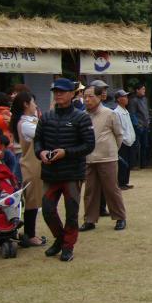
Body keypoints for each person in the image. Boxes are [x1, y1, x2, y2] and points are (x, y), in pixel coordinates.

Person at [33, 78, 95, 262]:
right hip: (50, 173)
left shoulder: (81, 117)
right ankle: (60, 239)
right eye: (56, 91)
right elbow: (38, 140)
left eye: (62, 91)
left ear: (71, 94)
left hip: (72, 173)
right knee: (47, 210)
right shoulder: (46, 117)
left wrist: (66, 153)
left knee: (72, 212)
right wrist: (40, 152)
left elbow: (89, 145)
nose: (58, 94)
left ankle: (68, 246)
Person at [80, 86, 127, 231]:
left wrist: (112, 150)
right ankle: (90, 220)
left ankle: (120, 217)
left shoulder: (109, 114)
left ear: (100, 97)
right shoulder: (82, 115)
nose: (87, 99)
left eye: (91, 96)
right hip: (88, 158)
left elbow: (119, 135)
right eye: (85, 96)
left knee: (111, 189)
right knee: (90, 190)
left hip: (107, 158)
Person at [9, 91, 45, 247]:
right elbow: (42, 134)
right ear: (25, 104)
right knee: (32, 202)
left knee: (35, 201)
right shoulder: (25, 124)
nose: (35, 105)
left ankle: (31, 234)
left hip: (35, 165)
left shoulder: (30, 121)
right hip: (31, 166)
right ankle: (30, 235)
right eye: (33, 102)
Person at [113, 89, 136, 191]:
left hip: (130, 141)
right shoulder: (116, 112)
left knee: (128, 162)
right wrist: (123, 139)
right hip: (123, 141)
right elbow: (119, 128)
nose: (127, 99)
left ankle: (125, 181)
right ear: (118, 99)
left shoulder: (126, 111)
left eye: (127, 96)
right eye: (124, 97)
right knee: (122, 163)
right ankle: (120, 182)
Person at [128, 82, 151, 169]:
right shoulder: (133, 100)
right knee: (137, 145)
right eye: (142, 89)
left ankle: (143, 163)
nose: (144, 91)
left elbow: (147, 111)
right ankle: (135, 164)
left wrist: (148, 121)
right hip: (138, 126)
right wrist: (137, 125)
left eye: (144, 89)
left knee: (145, 145)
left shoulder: (145, 99)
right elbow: (132, 114)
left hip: (145, 125)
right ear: (137, 90)